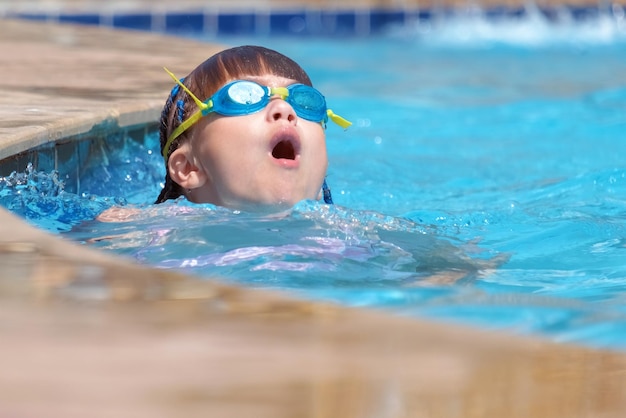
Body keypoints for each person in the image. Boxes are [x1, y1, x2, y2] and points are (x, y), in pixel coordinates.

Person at [155, 45, 351, 212]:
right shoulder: (151, 233)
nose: (284, 109)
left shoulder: (353, 239)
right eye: (246, 96)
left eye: (304, 100)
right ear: (189, 167)